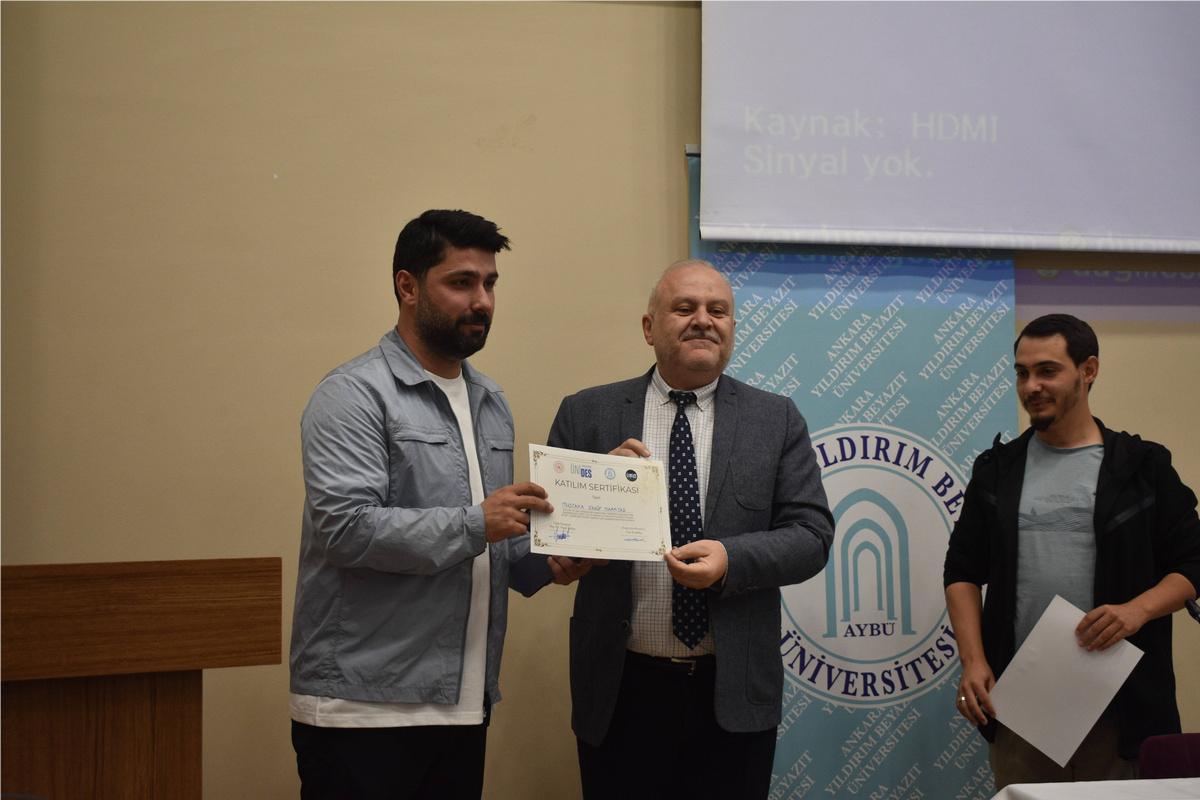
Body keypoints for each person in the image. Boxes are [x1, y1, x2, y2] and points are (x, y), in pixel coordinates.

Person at [538, 259, 835, 799]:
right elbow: (545, 544)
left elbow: (811, 537)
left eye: (717, 310)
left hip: (732, 692)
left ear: (732, 328)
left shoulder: (776, 419)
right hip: (622, 690)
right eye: (684, 308)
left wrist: (730, 560)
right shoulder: (587, 414)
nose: (703, 320)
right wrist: (593, 493)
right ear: (649, 327)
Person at [288, 209, 556, 800]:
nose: (482, 300)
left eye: (490, 283)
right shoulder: (353, 394)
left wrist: (550, 560)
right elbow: (346, 530)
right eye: (461, 282)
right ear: (407, 286)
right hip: (361, 709)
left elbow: (488, 545)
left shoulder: (490, 401)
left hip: (463, 702)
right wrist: (477, 523)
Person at [943, 313, 1200, 788]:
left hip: (1124, 710)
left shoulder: (1143, 467)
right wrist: (973, 661)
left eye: (1048, 371)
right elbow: (961, 570)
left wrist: (1138, 611)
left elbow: (1192, 562)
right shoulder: (997, 470)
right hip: (1024, 704)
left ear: (1089, 370)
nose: (1031, 386)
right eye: (1022, 373)